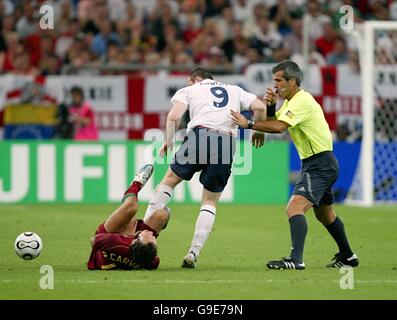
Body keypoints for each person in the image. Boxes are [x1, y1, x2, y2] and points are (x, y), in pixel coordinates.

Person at [231, 60, 358, 270]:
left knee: (294, 207)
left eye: (279, 81)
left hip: (319, 164)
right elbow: (274, 121)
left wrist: (250, 124)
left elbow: (279, 128)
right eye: (274, 81)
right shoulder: (291, 103)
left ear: (292, 82)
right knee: (325, 215)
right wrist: (271, 106)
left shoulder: (302, 101)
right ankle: (348, 256)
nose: (275, 85)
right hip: (320, 162)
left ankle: (296, 259)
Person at [143, 67, 267, 268]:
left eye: (189, 82)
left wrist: (168, 140)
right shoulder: (235, 90)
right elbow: (260, 107)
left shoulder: (191, 89)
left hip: (201, 135)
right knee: (209, 201)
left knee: (169, 181)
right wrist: (258, 130)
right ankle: (193, 252)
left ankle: (143, 233)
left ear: (195, 79)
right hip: (226, 142)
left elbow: (173, 117)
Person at [87, 164, 171, 270]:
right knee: (163, 215)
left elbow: (93, 240)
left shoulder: (114, 242)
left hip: (109, 234)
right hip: (133, 240)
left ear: (135, 241)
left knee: (131, 208)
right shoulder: (152, 261)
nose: (151, 234)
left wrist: (126, 236)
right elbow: (150, 254)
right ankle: (157, 216)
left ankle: (136, 183)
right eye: (154, 239)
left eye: (148, 235)